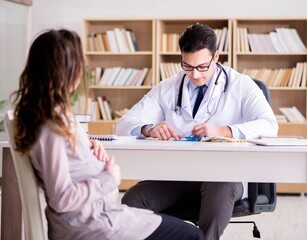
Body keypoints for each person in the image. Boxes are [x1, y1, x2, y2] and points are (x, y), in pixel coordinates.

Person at [11, 29, 204, 240]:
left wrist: (88, 152)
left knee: (176, 226)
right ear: (67, 72)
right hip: (93, 224)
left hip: (98, 216)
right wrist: (108, 178)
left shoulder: (53, 116)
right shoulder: (51, 127)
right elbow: (62, 198)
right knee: (191, 235)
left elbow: (68, 164)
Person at [116, 23, 278, 239]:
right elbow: (126, 122)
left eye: (202, 67)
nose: (195, 75)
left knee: (219, 187)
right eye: (188, 66)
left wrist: (224, 130)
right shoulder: (169, 87)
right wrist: (148, 129)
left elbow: (269, 124)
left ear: (216, 57)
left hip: (224, 175)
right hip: (179, 174)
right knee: (133, 200)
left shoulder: (241, 85)